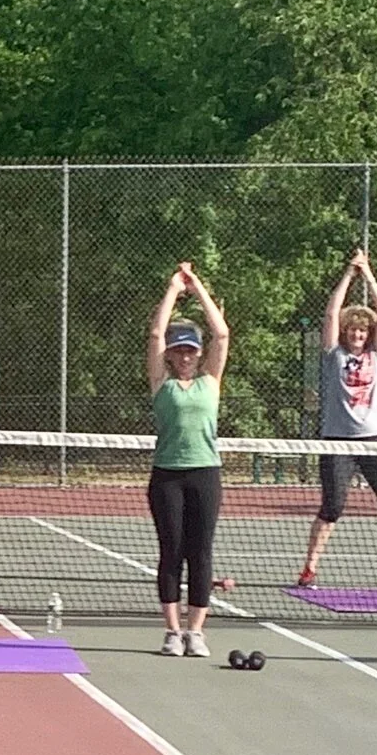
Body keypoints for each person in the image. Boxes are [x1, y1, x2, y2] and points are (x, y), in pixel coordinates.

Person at [298, 248, 377, 589]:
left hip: (375, 440)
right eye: (352, 331)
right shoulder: (333, 356)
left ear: (367, 335)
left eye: (361, 332)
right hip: (337, 442)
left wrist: (367, 272)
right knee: (332, 507)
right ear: (345, 333)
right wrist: (348, 276)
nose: (357, 335)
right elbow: (330, 314)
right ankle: (309, 567)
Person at [146, 262, 227, 658]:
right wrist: (174, 289)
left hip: (205, 473)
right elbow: (156, 332)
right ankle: (172, 631)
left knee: (201, 551)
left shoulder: (210, 381)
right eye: (179, 350)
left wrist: (199, 290)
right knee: (171, 550)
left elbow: (222, 333)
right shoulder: (162, 383)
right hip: (167, 476)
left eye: (190, 350)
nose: (184, 356)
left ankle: (197, 632)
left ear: (198, 354)